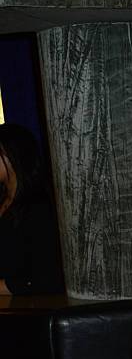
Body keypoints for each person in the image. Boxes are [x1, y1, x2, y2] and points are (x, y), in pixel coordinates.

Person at [0, 123, 64, 295]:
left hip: (26, 308)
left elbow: (45, 277)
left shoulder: (38, 207)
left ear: (14, 156)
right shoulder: (3, 200)